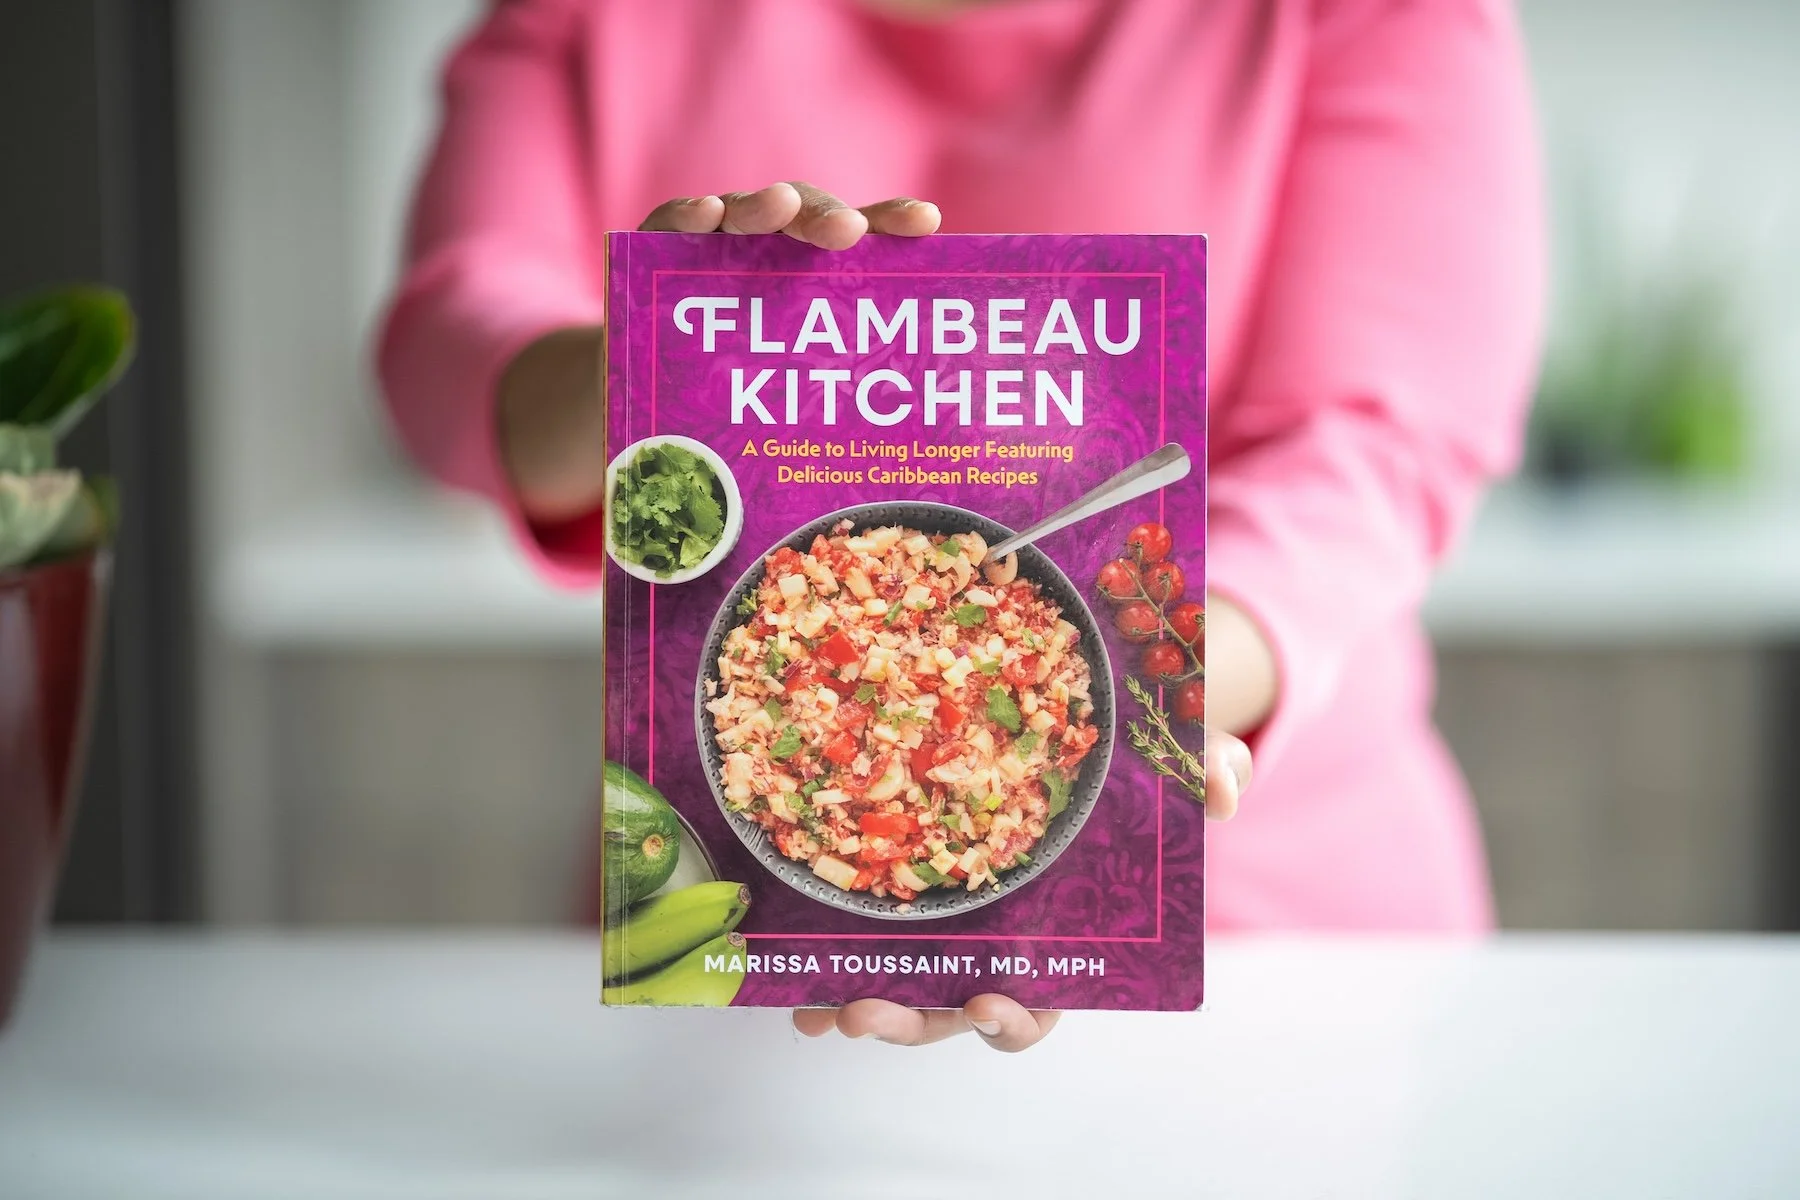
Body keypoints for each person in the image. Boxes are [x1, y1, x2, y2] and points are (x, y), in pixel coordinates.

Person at [377, 0, 1544, 1051]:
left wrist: (1128, 710)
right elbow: (447, 335)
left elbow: (1370, 447)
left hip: (1288, 956)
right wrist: (642, 371)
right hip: (727, 922)